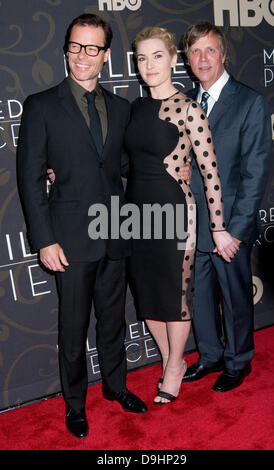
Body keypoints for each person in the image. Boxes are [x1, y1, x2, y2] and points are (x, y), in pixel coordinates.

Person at [17, 13, 148, 440]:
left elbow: (123, 165)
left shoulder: (122, 108)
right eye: (76, 47)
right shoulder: (40, 106)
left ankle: (116, 387)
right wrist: (44, 239)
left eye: (92, 48)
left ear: (106, 55)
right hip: (69, 239)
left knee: (113, 321)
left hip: (115, 231)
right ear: (66, 49)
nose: (82, 57)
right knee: (72, 329)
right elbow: (30, 179)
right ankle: (76, 404)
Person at [124, 27, 238, 405]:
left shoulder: (189, 108)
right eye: (142, 58)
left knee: (177, 296)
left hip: (175, 212)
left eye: (158, 56)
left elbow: (211, 173)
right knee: (148, 294)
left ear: (174, 60)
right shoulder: (135, 108)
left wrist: (218, 226)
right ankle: (171, 355)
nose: (149, 64)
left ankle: (173, 366)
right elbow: (125, 161)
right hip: (138, 215)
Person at [182, 21, 271, 392]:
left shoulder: (249, 102)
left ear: (223, 55)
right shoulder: (184, 103)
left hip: (229, 228)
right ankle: (210, 355)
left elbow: (255, 173)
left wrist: (234, 231)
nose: (203, 58)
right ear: (187, 59)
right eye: (195, 51)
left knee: (235, 297)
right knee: (199, 297)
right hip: (192, 224)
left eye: (210, 50)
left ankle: (237, 361)